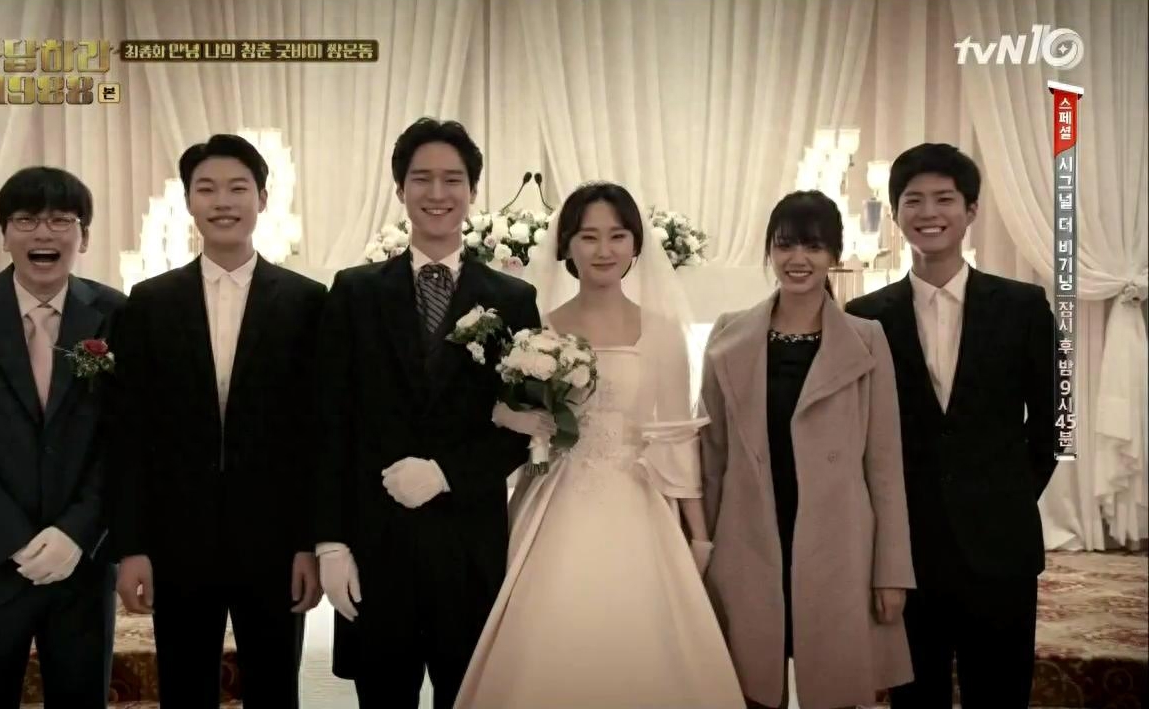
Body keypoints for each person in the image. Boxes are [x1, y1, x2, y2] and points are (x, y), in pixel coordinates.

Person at [454, 181, 746, 708]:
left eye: (617, 235)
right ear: (566, 244)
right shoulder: (538, 328)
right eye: (588, 236)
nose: (603, 249)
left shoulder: (662, 331)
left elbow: (675, 438)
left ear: (636, 244)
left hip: (637, 501)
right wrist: (518, 423)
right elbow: (512, 421)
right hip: (554, 497)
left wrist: (699, 537)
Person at [312, 117, 541, 709]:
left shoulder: (513, 299)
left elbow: (527, 426)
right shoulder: (355, 291)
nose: (437, 193)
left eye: (452, 179)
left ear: (472, 190)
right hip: (376, 543)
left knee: (467, 696)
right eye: (421, 179)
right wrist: (331, 542)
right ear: (400, 189)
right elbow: (330, 422)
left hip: (468, 546)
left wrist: (447, 473)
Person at [108, 134, 326, 707]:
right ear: (188, 201)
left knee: (275, 690)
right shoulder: (149, 302)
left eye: (237, 188)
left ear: (263, 198)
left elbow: (316, 437)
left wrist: (309, 544)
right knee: (183, 689)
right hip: (178, 540)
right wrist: (133, 546)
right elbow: (130, 434)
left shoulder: (307, 302)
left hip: (275, 541)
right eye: (206, 189)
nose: (222, 202)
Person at [845, 143, 1058, 708]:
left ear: (971, 210)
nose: (929, 212)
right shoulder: (865, 318)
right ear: (896, 214)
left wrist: (1007, 496)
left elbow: (1051, 424)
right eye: (913, 200)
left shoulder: (1023, 306)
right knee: (916, 697)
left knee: (1000, 693)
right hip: (908, 548)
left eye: (944, 199)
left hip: (1000, 543)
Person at [699, 190, 915, 709]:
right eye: (785, 245)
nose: (798, 259)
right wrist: (699, 556)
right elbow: (710, 457)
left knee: (835, 689)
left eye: (814, 246)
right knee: (749, 687)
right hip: (748, 537)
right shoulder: (729, 334)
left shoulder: (866, 339)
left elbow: (885, 467)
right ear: (770, 251)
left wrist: (891, 572)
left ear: (834, 255)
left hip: (838, 542)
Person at [0, 166, 123, 708]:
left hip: (81, 567)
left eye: (61, 220)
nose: (43, 233)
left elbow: (123, 441)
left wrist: (77, 532)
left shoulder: (117, 315)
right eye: (27, 220)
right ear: (4, 234)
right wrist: (13, 539)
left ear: (84, 235)